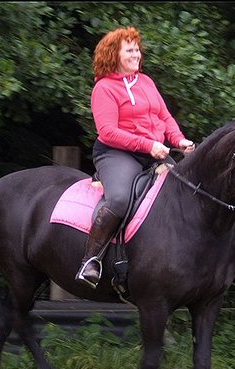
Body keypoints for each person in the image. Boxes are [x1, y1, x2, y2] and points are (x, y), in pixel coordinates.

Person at [75, 26, 196, 288]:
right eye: (129, 50)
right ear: (113, 54)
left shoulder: (147, 82)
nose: (136, 54)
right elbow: (107, 132)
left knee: (186, 192)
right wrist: (149, 145)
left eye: (137, 49)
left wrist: (179, 140)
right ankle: (90, 260)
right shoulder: (104, 89)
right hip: (117, 153)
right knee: (119, 199)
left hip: (153, 152)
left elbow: (165, 117)